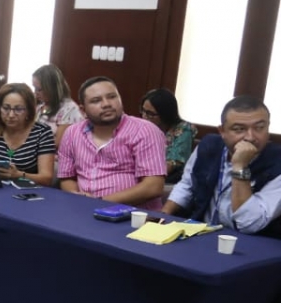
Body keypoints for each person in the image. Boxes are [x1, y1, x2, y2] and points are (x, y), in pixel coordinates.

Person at [163, 96, 281, 235]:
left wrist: (240, 167)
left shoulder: (277, 162)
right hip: (201, 232)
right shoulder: (208, 146)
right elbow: (187, 185)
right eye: (239, 129)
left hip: (254, 246)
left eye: (260, 128)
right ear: (222, 131)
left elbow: (248, 223)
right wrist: (165, 214)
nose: (250, 137)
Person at [58, 76, 167, 209]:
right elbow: (67, 177)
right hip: (83, 211)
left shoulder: (145, 131)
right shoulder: (72, 133)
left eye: (112, 97)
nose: (106, 104)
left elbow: (153, 186)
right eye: (96, 100)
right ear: (83, 110)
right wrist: (78, 198)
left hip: (132, 216)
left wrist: (99, 202)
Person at [140, 88, 195, 183]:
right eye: (143, 111)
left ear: (165, 113)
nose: (144, 117)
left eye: (150, 114)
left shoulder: (184, 129)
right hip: (143, 174)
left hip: (168, 179)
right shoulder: (142, 127)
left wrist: (145, 178)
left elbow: (173, 163)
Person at [32, 64, 82, 149]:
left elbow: (58, 143)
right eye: (34, 88)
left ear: (52, 88)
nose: (35, 92)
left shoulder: (69, 109)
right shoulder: (40, 107)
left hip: (55, 158)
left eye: (39, 89)